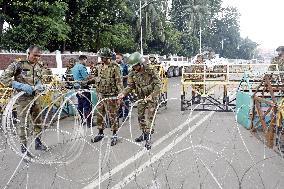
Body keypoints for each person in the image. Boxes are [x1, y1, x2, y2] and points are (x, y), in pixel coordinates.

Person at [0, 45, 48, 157]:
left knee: (38, 120)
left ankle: (38, 142)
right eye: (34, 55)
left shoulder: (39, 65)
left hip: (35, 97)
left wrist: (39, 84)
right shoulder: (18, 64)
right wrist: (19, 85)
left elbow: (40, 78)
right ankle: (24, 149)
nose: (36, 58)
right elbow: (3, 78)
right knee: (23, 124)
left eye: (39, 56)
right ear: (28, 53)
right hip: (22, 100)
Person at [117, 52, 161, 150]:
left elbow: (158, 84)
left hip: (151, 97)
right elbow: (130, 86)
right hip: (141, 96)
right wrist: (123, 93)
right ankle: (144, 133)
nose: (134, 68)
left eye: (135, 66)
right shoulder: (132, 72)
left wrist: (152, 95)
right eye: (133, 66)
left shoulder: (150, 70)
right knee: (140, 116)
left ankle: (148, 137)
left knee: (150, 117)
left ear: (140, 64)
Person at [87, 47, 122, 146]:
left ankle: (114, 134)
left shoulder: (115, 67)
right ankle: (100, 133)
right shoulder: (99, 67)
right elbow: (95, 78)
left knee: (112, 116)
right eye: (101, 57)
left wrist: (120, 96)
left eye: (103, 57)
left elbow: (119, 82)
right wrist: (87, 81)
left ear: (108, 57)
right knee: (99, 115)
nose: (101, 59)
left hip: (111, 96)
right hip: (101, 95)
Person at [71, 55, 92, 127]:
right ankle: (89, 123)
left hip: (77, 88)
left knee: (80, 105)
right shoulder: (82, 67)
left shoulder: (74, 67)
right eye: (86, 60)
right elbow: (86, 78)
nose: (86, 62)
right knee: (87, 105)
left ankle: (82, 121)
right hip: (83, 88)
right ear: (83, 59)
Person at [116, 53, 129, 121]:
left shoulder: (125, 66)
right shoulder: (115, 65)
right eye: (116, 58)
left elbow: (129, 75)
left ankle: (126, 114)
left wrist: (122, 77)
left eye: (118, 58)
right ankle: (120, 113)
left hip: (124, 85)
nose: (117, 59)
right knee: (118, 99)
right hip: (117, 86)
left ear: (122, 58)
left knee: (125, 100)